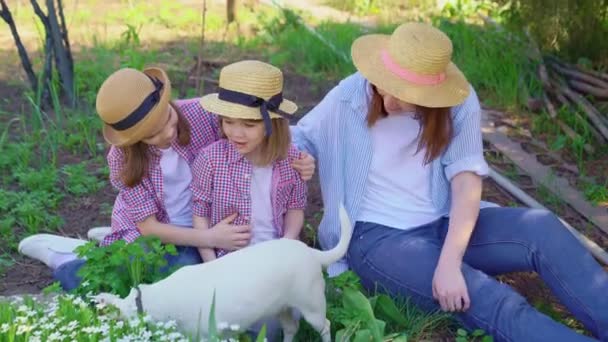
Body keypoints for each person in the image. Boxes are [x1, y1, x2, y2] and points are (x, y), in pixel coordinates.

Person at [290, 22, 608, 341]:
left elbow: (466, 182)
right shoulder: (350, 95)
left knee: (542, 227)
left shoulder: (457, 102)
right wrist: (299, 158)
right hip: (376, 237)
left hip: (442, 222)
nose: (388, 99)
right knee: (492, 301)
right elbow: (300, 136)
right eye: (385, 85)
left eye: (403, 94)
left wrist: (449, 262)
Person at [18, 66, 315, 292]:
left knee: (202, 276)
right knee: (157, 274)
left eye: (168, 121)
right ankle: (65, 260)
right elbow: (149, 228)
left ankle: (104, 240)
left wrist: (300, 159)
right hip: (159, 232)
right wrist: (208, 238)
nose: (168, 135)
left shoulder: (202, 113)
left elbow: (259, 125)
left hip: (207, 226)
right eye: (152, 135)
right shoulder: (122, 157)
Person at [191, 60, 307, 262]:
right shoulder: (210, 159)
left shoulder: (292, 159)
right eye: (228, 122)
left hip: (277, 253)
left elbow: (295, 208)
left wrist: (287, 245)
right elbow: (200, 214)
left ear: (273, 124)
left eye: (249, 125)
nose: (237, 133)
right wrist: (212, 265)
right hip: (229, 259)